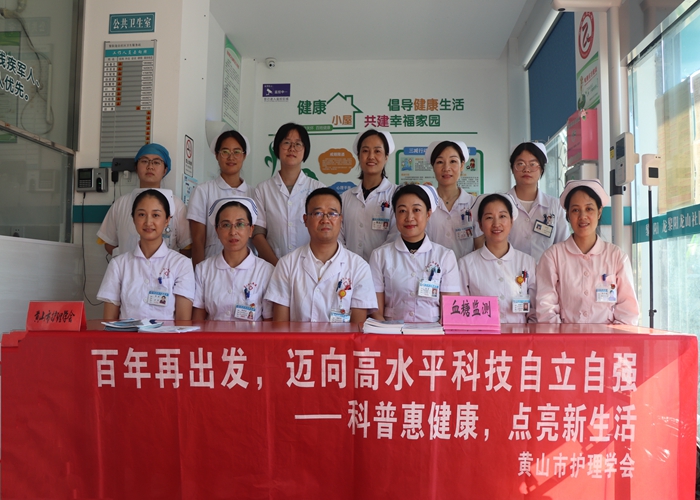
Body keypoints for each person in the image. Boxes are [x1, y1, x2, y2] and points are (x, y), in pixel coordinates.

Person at [536, 179, 639, 324]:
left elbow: (628, 311)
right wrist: (564, 335)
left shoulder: (616, 257)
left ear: (599, 212)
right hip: (565, 337)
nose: (582, 216)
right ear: (568, 215)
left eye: (589, 209)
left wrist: (611, 336)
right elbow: (546, 309)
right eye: (575, 210)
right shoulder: (553, 257)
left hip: (607, 337)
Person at [266, 188, 377, 322]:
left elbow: (357, 327)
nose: (325, 220)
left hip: (342, 337)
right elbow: (280, 325)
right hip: (297, 337)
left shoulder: (359, 267)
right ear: (306, 220)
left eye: (332, 213)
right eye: (318, 213)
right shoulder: (287, 264)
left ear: (341, 219)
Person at [97, 189, 195, 320]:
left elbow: (183, 322)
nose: (148, 222)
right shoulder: (118, 265)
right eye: (142, 214)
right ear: (133, 219)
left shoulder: (181, 264)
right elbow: (110, 321)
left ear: (167, 220)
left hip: (167, 334)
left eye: (156, 215)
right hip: (127, 334)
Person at [369, 184, 460, 323]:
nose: (409, 217)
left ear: (428, 214)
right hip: (392, 332)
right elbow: (376, 311)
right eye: (402, 211)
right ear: (395, 215)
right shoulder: (379, 256)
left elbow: (450, 311)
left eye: (416, 210)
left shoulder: (445, 256)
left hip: (432, 332)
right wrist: (388, 332)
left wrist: (434, 333)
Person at [476, 142, 568, 262]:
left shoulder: (555, 206)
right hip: (506, 270)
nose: (526, 169)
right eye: (520, 164)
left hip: (546, 271)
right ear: (512, 168)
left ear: (541, 169)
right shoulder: (499, 205)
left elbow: (563, 246)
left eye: (533, 164)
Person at [97, 143, 192, 257]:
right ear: (136, 168)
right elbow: (109, 242)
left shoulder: (177, 205)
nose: (150, 166)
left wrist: (169, 264)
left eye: (156, 162)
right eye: (144, 161)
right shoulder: (121, 204)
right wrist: (126, 261)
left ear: (165, 170)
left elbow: (187, 247)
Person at [252, 123, 325, 265]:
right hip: (272, 267)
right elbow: (257, 234)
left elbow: (324, 232)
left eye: (298, 144)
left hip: (310, 266)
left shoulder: (318, 189)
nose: (292, 148)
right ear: (277, 147)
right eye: (286, 143)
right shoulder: (263, 189)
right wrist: (278, 266)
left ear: (305, 150)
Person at [458, 193, 536, 323]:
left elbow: (535, 313)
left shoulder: (527, 262)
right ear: (480, 224)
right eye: (489, 217)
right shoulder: (465, 264)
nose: (496, 223)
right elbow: (462, 312)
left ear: (511, 221)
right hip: (481, 335)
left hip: (520, 334)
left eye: (502, 216)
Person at [192, 197, 273, 321]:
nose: (233, 232)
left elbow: (269, 321)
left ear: (251, 230)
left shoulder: (266, 271)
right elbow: (198, 319)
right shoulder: (203, 269)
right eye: (226, 225)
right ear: (217, 230)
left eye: (240, 224)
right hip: (213, 334)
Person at [187, 130, 251, 266]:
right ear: (216, 155)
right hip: (211, 267)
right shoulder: (203, 191)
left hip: (248, 268)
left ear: (244, 156)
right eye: (225, 152)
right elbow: (198, 239)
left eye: (237, 152)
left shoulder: (254, 193)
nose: (231, 157)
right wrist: (199, 273)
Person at [340, 129, 398, 262]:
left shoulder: (397, 195)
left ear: (386, 157)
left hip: (385, 267)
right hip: (350, 268)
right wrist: (350, 264)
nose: (371, 156)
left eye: (377, 151)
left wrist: (377, 263)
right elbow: (338, 236)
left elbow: (395, 236)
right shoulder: (345, 198)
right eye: (365, 151)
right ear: (359, 156)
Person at [424, 140, 477, 259]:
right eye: (440, 162)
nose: (446, 168)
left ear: (462, 165)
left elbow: (479, 246)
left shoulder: (474, 204)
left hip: (464, 270)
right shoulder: (424, 204)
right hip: (430, 269)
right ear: (433, 167)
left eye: (453, 161)